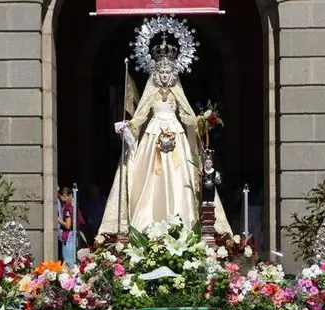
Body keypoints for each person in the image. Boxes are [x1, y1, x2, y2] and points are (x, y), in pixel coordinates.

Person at [98, 40, 232, 235]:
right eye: (161, 72)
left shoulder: (177, 94)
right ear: (155, 74)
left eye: (168, 72)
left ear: (173, 74)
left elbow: (186, 114)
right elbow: (141, 116)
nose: (164, 76)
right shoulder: (151, 94)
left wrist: (200, 121)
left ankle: (183, 221)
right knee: (150, 178)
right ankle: (147, 221)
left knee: (181, 177)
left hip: (175, 134)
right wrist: (129, 126)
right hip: (153, 136)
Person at [57, 187, 76, 266]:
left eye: (60, 197)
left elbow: (68, 226)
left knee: (68, 260)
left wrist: (57, 219)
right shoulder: (70, 206)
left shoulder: (68, 208)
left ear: (64, 196)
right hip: (69, 236)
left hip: (68, 237)